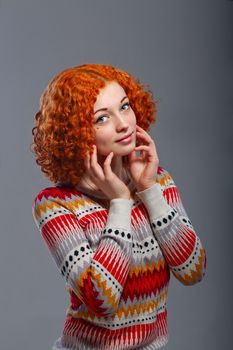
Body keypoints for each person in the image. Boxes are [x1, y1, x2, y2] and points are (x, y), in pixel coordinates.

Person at [31, 63, 207, 350]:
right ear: (75, 132)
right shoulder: (55, 205)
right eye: (102, 118)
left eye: (125, 107)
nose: (124, 124)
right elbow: (102, 299)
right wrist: (121, 202)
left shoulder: (157, 181)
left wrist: (148, 190)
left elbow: (193, 270)